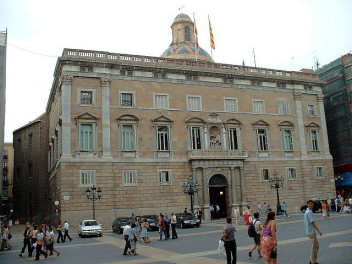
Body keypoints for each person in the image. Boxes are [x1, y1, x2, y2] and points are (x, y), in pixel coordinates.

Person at [304, 200, 323, 264]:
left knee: (316, 246)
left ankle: (312, 260)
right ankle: (313, 261)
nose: (311, 205)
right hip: (311, 231)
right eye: (310, 204)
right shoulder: (309, 212)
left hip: (310, 231)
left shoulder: (308, 211)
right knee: (315, 246)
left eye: (312, 203)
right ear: (307, 204)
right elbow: (312, 222)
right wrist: (319, 230)